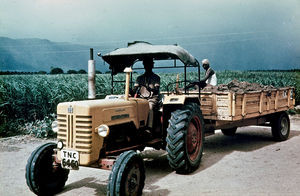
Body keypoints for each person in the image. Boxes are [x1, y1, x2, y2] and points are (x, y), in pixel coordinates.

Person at [133, 57, 160, 129]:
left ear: (152, 65)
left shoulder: (156, 78)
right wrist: (129, 90)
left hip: (152, 98)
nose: (147, 66)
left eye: (149, 64)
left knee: (150, 107)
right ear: (144, 66)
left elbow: (156, 90)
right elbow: (134, 89)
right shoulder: (139, 78)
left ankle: (149, 127)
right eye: (146, 64)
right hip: (141, 99)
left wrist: (148, 88)